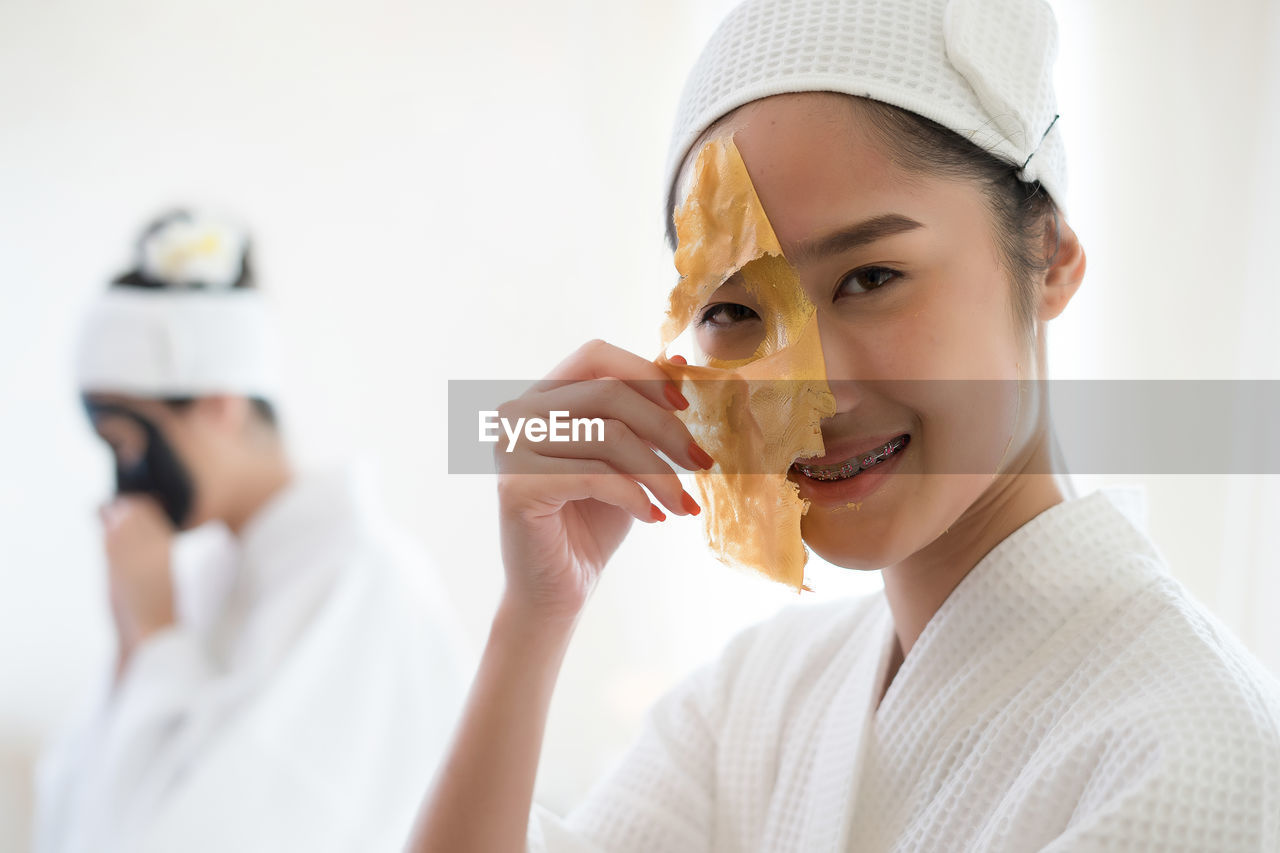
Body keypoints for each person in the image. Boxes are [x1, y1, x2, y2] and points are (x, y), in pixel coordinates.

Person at [409, 0, 1280, 851]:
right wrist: (535, 616)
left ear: (1048, 256)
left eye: (869, 278)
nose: (807, 393)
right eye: (735, 312)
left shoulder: (1190, 752)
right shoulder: (754, 702)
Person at [34, 210, 470, 853]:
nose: (125, 485)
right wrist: (135, 638)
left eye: (129, 445)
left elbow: (199, 833)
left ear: (219, 403)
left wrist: (156, 633)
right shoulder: (213, 575)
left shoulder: (357, 580)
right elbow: (79, 817)